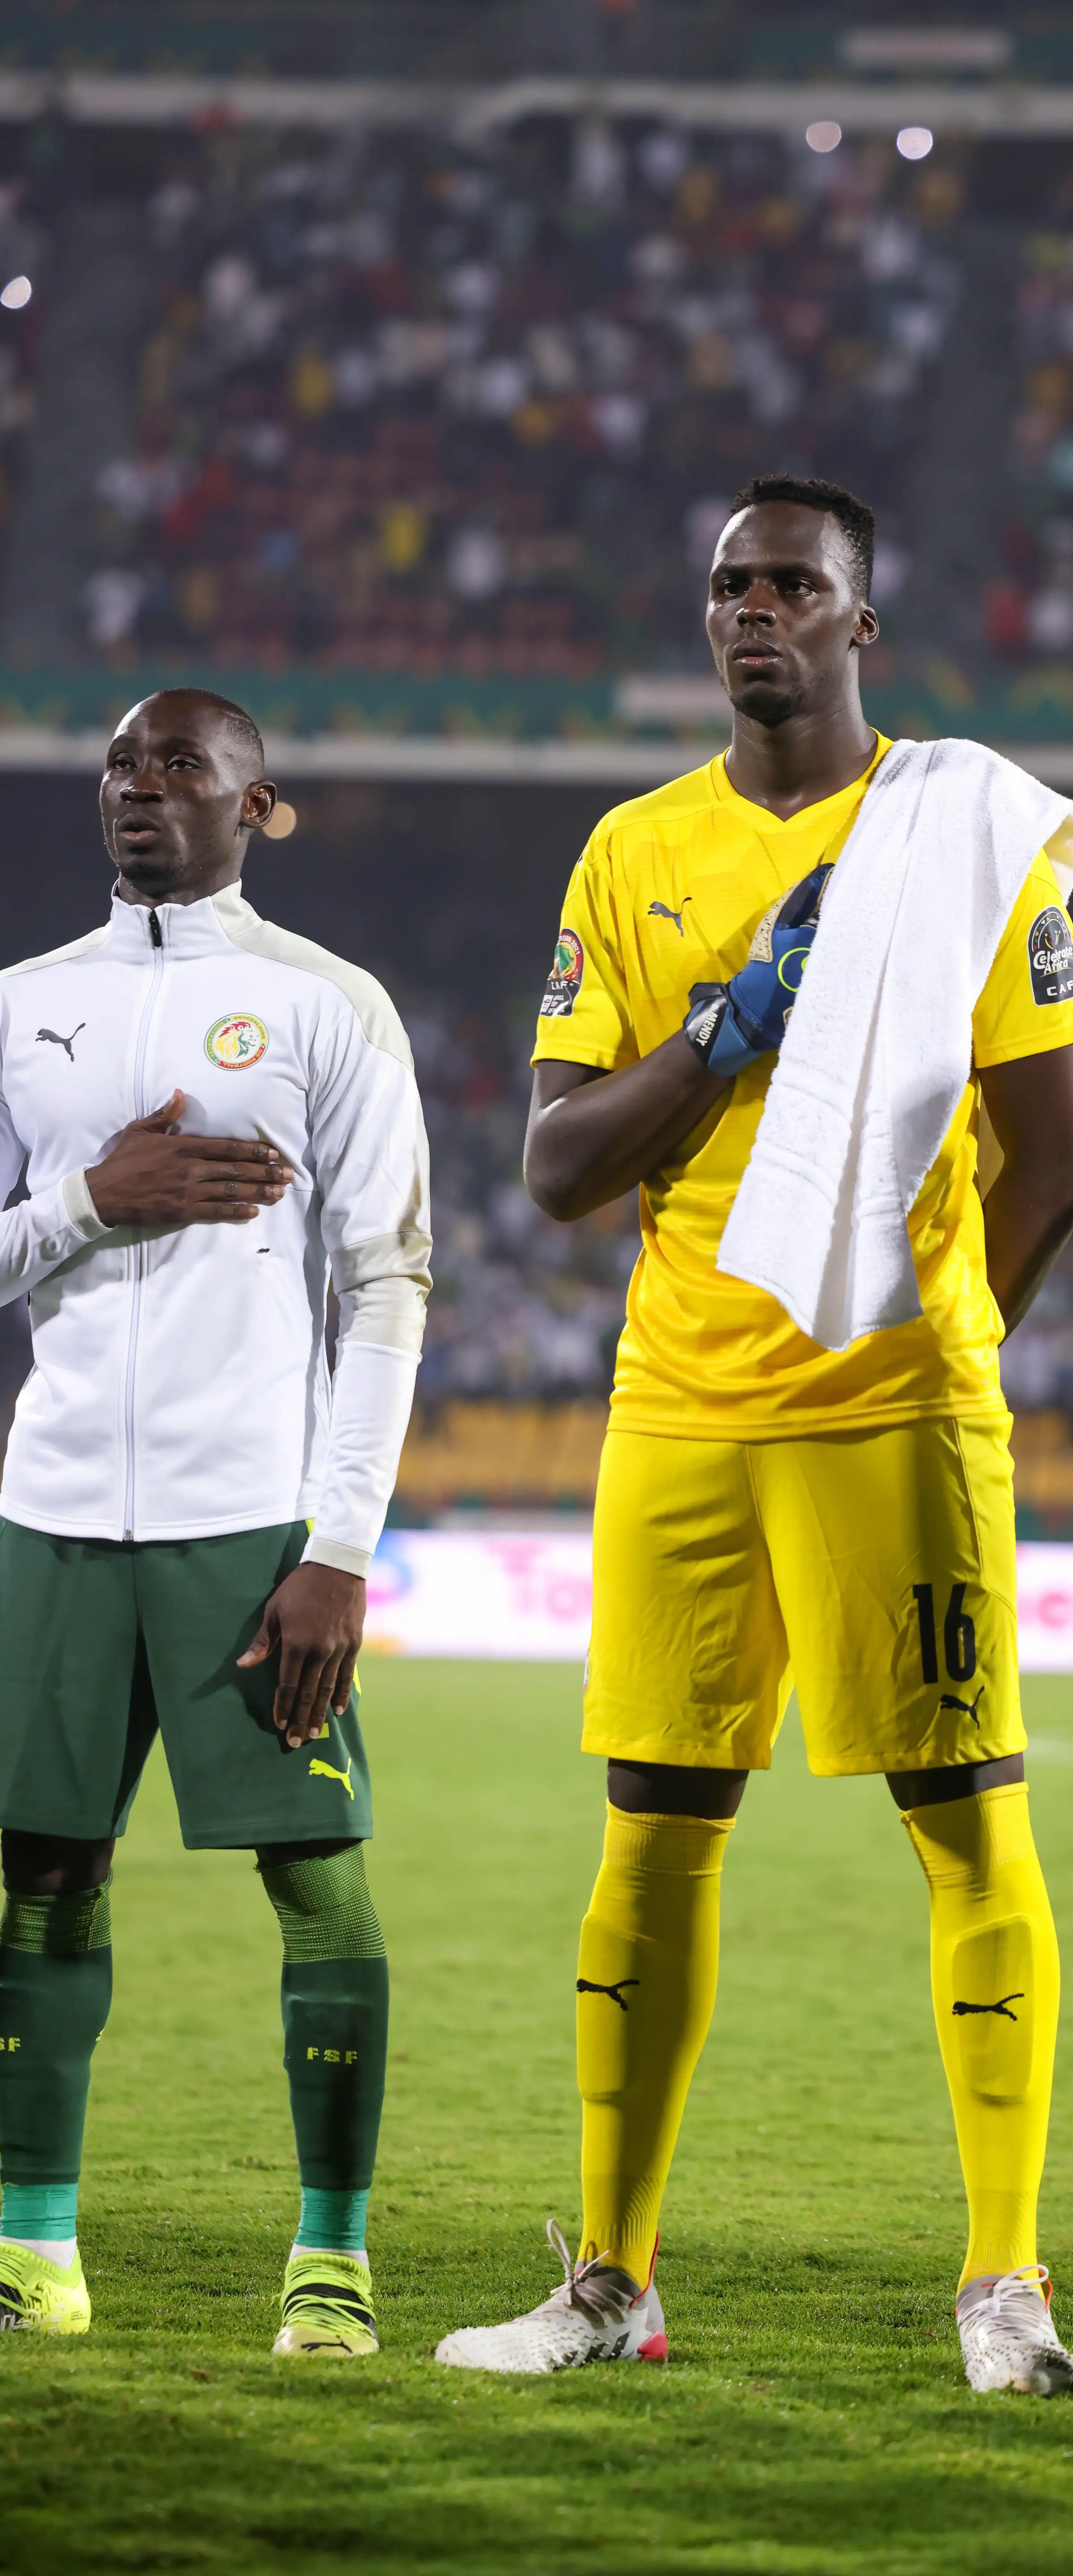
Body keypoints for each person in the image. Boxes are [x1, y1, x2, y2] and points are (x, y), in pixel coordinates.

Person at [433, 473, 1073, 2393]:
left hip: (891, 1406)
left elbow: (1051, 1158)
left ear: (860, 624)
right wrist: (726, 1029)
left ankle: (1006, 2282)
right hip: (681, 1405)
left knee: (964, 1820)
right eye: (731, 582)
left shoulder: (958, 842)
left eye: (795, 583)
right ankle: (613, 2280)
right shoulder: (632, 851)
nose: (756, 610)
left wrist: (938, 1350)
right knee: (655, 1825)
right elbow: (558, 1161)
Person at [0, 690, 429, 2355]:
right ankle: (35, 2248)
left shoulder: (329, 1006)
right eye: (120, 763)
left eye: (182, 764)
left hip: (251, 1522)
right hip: (48, 1514)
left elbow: (386, 1281)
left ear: (262, 806)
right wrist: (83, 1201)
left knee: (317, 1879)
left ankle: (334, 2255)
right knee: (37, 1875)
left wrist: (339, 1545)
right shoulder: (26, 1005)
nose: (140, 787)